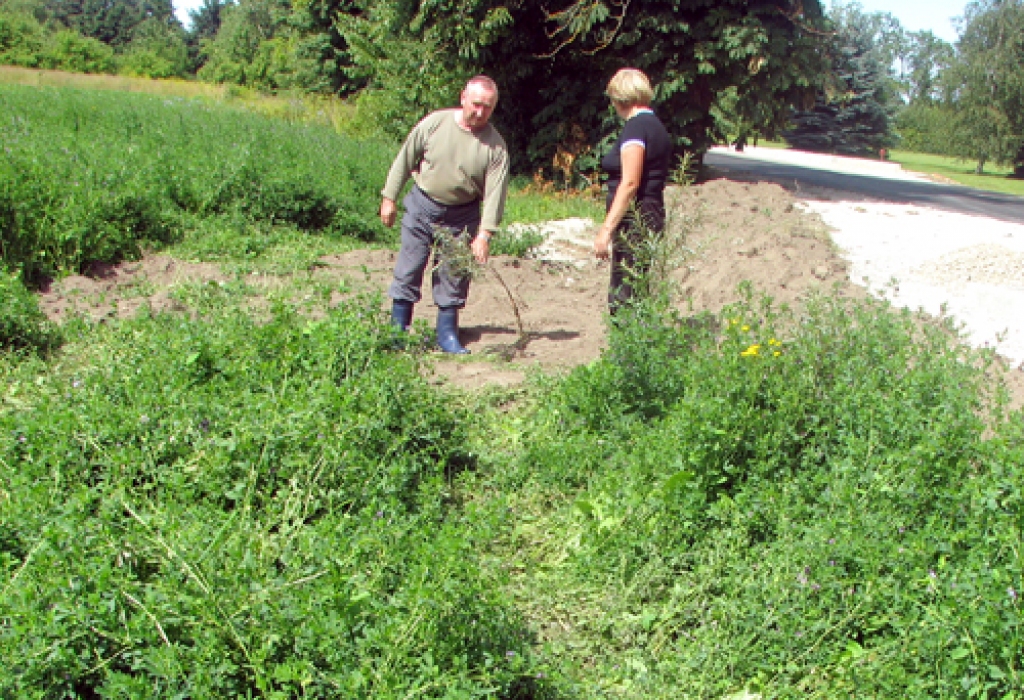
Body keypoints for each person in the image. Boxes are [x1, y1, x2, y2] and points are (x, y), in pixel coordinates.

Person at [380, 75, 510, 354]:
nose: (480, 112)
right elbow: (404, 159)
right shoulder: (434, 123)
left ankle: (447, 334)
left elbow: (495, 195)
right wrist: (389, 198)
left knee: (454, 275)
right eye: (476, 104)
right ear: (463, 97)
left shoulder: (495, 147)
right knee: (409, 266)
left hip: (462, 215)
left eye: (487, 107)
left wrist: (484, 235)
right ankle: (397, 331)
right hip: (422, 205)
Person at [593, 68, 673, 314]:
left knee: (624, 289)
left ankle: (626, 349)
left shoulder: (636, 128)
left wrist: (605, 231)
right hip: (652, 211)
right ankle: (640, 343)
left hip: (635, 217)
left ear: (619, 97)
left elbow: (630, 183)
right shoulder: (656, 126)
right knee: (638, 285)